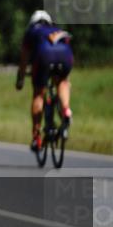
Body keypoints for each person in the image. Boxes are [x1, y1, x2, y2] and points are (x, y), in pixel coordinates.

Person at [16, 10, 73, 152]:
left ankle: (36, 137)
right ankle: (66, 109)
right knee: (62, 81)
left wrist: (21, 79)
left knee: (39, 94)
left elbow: (24, 59)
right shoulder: (56, 28)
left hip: (44, 56)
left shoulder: (32, 31)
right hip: (65, 55)